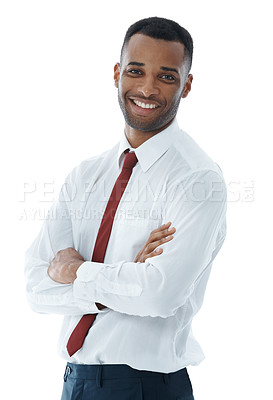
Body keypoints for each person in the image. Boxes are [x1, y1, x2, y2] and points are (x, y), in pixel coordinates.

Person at [25, 16, 227, 400]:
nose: (147, 89)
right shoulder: (87, 175)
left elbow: (160, 295)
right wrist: (125, 277)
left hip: (145, 386)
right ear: (118, 73)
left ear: (186, 86)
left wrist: (78, 271)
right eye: (136, 71)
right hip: (74, 382)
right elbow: (35, 287)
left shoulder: (197, 180)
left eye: (167, 76)